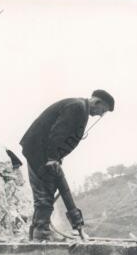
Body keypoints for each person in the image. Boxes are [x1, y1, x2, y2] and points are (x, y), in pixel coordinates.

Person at [20, 90, 115, 241]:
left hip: (42, 152)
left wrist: (56, 158)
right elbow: (59, 131)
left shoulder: (80, 108)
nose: (100, 114)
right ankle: (41, 232)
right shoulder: (77, 107)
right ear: (97, 102)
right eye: (102, 110)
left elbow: (63, 136)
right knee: (44, 192)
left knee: (47, 190)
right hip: (39, 152)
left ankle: (38, 231)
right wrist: (52, 158)